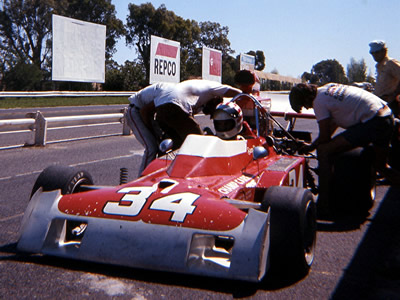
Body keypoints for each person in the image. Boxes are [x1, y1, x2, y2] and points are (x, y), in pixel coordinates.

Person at [289, 83, 399, 214]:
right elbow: (332, 125)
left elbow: (324, 137)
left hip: (373, 123)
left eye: (305, 105)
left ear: (306, 98)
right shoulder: (328, 88)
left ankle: (323, 204)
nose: (308, 108)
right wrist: (311, 146)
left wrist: (313, 148)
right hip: (386, 116)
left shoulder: (318, 102)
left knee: (324, 152)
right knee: (381, 167)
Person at [154, 79, 241, 149]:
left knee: (180, 143)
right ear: (215, 99)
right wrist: (248, 95)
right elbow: (236, 92)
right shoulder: (212, 87)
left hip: (160, 108)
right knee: (199, 143)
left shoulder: (198, 95)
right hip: (174, 105)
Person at [126, 82, 176, 177]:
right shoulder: (169, 93)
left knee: (162, 144)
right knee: (151, 147)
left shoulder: (175, 93)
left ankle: (154, 175)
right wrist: (152, 132)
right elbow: (144, 111)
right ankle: (141, 179)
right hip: (136, 111)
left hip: (147, 113)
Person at [369, 40, 400, 117]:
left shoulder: (391, 63)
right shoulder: (379, 66)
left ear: (384, 51)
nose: (374, 55)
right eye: (372, 53)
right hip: (381, 102)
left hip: (391, 103)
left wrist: (394, 95)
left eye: (377, 52)